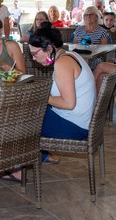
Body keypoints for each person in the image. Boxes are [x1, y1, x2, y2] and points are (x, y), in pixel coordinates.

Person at [29, 22, 96, 163]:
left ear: (48, 48)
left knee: (18, 117)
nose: (34, 59)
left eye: (35, 54)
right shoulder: (70, 56)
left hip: (73, 127)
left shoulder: (62, 64)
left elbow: (68, 103)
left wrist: (40, 97)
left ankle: (18, 166)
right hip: (81, 122)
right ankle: (38, 157)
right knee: (26, 110)